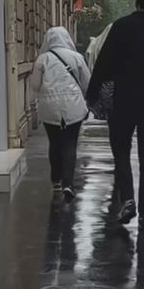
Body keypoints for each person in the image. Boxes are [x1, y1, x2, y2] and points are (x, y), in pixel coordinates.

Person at [87, 0, 144, 229]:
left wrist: (93, 93)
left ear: (136, 3)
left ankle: (128, 199)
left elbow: (103, 63)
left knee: (121, 151)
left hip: (122, 100)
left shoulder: (121, 27)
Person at [31, 27, 90, 203]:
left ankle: (56, 179)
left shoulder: (43, 59)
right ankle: (68, 184)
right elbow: (87, 82)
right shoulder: (77, 58)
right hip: (73, 106)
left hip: (50, 107)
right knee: (70, 143)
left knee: (54, 142)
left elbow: (35, 85)